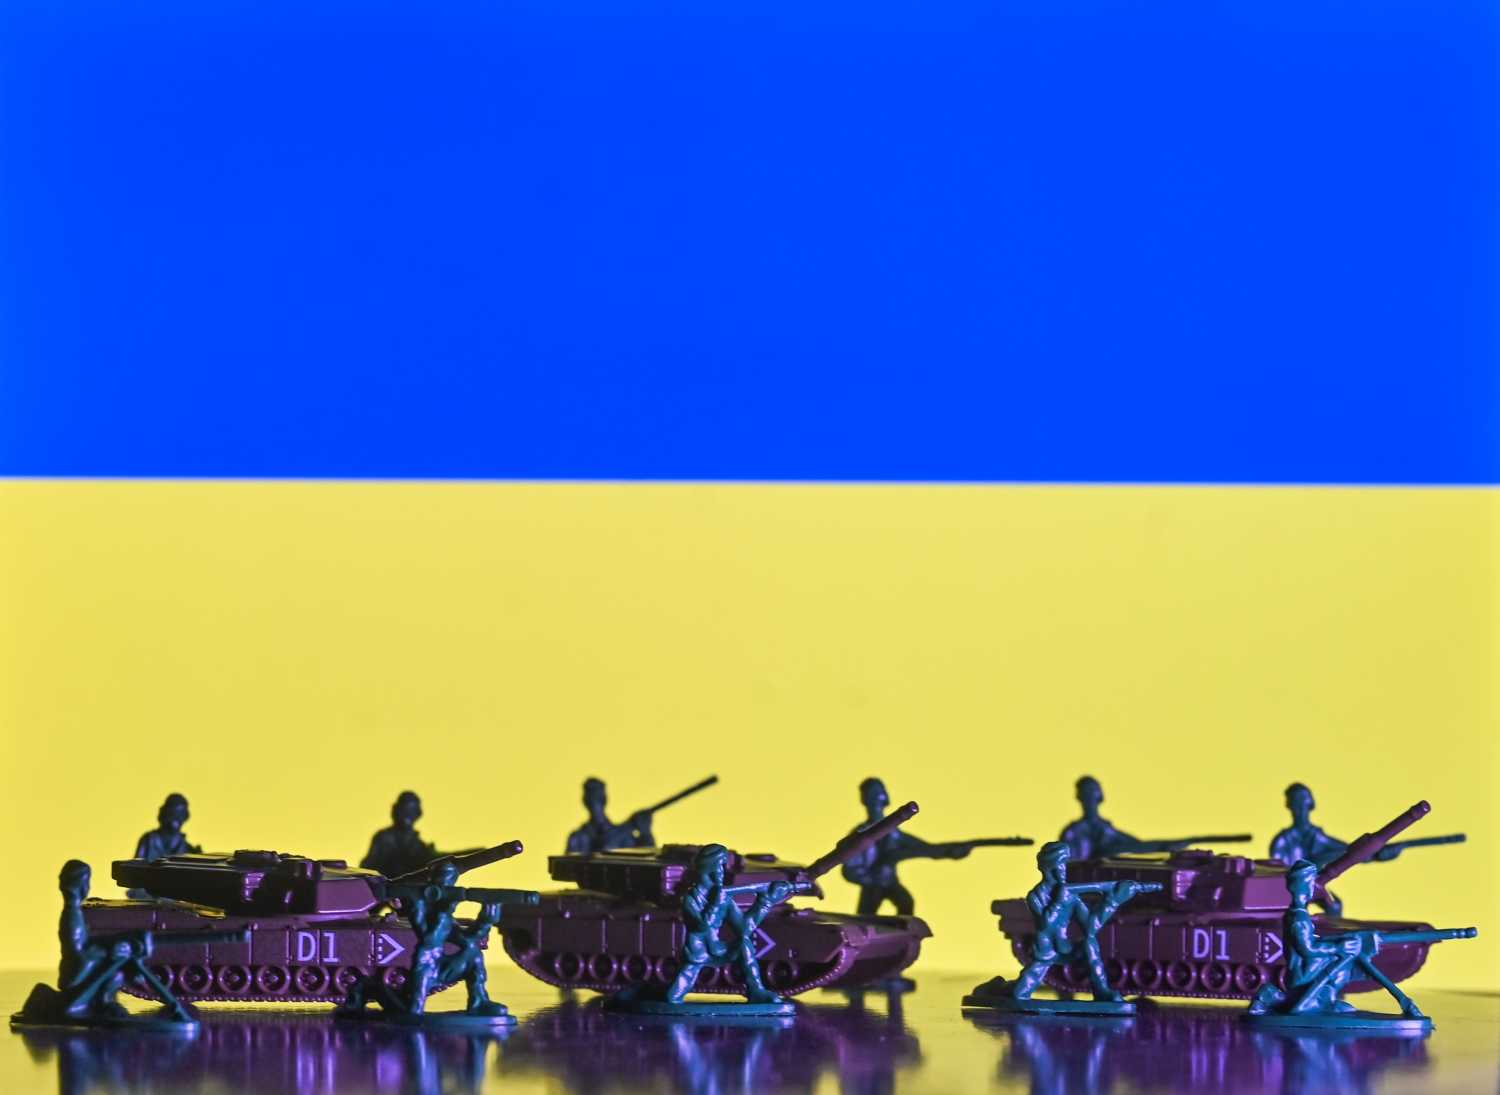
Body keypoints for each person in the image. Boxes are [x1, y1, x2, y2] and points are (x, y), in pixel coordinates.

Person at [1010, 842, 1152, 1001]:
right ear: (1049, 867)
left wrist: (1112, 902)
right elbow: (1045, 925)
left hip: (1066, 946)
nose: (1064, 869)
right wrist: (1059, 902)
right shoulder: (1036, 896)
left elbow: (1090, 926)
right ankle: (1005, 988)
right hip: (1047, 951)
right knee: (1019, 994)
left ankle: (1102, 990)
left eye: (1065, 864)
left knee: (1089, 942)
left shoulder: (1070, 894)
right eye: (1061, 864)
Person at [664, 844, 791, 1004]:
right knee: (672, 997)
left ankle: (756, 990)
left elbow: (744, 928)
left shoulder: (723, 896)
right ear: (710, 868)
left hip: (718, 947)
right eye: (721, 865)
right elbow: (701, 926)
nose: (724, 870)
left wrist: (765, 902)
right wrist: (717, 902)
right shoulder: (690, 898)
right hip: (698, 951)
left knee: (744, 944)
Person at [841, 778, 968, 915]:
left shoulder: (894, 834)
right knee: (864, 919)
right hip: (873, 885)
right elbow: (849, 868)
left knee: (906, 903)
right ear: (864, 800)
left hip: (890, 882)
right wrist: (869, 878)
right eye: (871, 796)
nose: (875, 801)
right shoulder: (860, 835)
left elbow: (925, 848)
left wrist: (949, 852)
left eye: (878, 795)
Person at [565, 778, 653, 854]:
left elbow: (645, 860)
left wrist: (646, 833)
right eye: (591, 796)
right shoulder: (577, 838)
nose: (595, 802)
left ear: (604, 799)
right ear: (585, 800)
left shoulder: (624, 835)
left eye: (597, 797)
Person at [361, 791, 439, 878]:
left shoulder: (419, 845)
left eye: (411, 811)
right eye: (403, 810)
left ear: (417, 814)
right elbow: (367, 867)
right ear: (395, 811)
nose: (406, 815)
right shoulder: (384, 838)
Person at [133, 793, 200, 862]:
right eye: (172, 813)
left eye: (180, 815)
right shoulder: (148, 840)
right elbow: (135, 866)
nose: (176, 819)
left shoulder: (188, 849)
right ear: (165, 813)